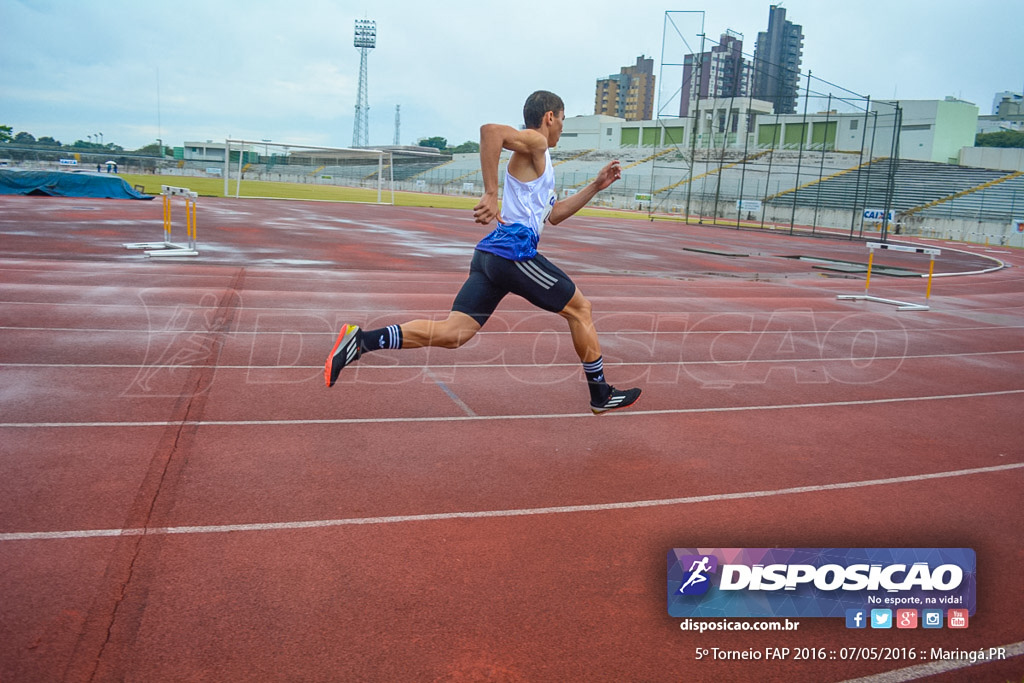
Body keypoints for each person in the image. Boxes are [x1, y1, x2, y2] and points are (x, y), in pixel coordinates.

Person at [326, 90, 641, 414]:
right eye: (562, 119)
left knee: (453, 333)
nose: (562, 127)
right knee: (580, 309)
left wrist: (595, 186)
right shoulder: (537, 142)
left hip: (491, 257)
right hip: (513, 253)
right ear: (550, 117)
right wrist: (491, 193)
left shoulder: (541, 160)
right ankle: (600, 393)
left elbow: (555, 215)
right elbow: (490, 131)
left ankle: (360, 341)